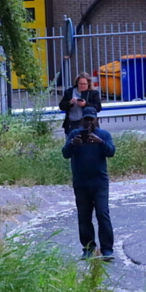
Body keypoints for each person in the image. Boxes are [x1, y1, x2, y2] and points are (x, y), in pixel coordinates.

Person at [62, 106, 116, 261]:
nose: (89, 122)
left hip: (99, 182)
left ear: (96, 120)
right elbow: (65, 153)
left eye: (91, 119)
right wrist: (73, 144)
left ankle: (107, 249)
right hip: (81, 182)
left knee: (102, 214)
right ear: (82, 119)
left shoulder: (104, 135)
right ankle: (88, 248)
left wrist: (100, 142)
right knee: (84, 217)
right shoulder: (74, 134)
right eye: (86, 119)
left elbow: (111, 152)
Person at [58, 72, 101, 138]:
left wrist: (85, 104)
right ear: (77, 83)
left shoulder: (93, 93)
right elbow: (61, 106)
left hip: (87, 123)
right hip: (72, 123)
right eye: (80, 84)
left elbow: (98, 108)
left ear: (88, 84)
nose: (82, 86)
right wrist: (70, 103)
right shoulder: (69, 92)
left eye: (84, 84)